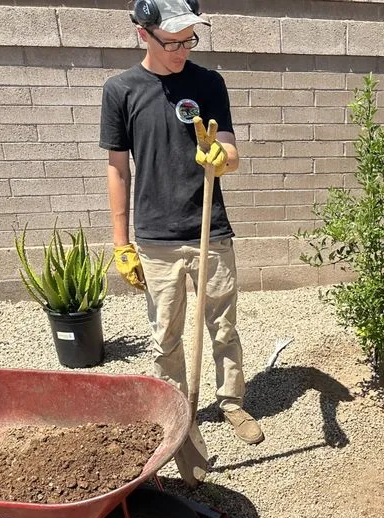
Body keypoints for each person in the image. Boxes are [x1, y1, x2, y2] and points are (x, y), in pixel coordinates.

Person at [99, 0, 263, 445]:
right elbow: (118, 170)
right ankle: (177, 414)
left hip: (210, 230)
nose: (181, 50)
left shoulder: (209, 83)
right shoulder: (122, 90)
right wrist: (121, 242)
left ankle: (232, 401)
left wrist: (222, 160)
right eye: (171, 41)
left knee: (224, 327)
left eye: (189, 39)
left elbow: (229, 148)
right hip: (156, 238)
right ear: (142, 34)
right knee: (165, 335)